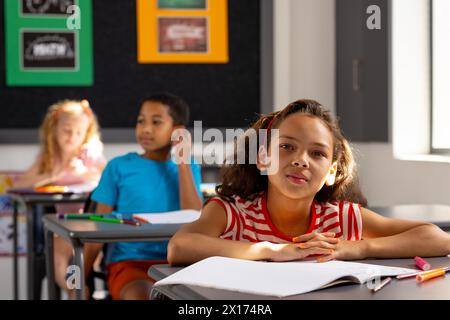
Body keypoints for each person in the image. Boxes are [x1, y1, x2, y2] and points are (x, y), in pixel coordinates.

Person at [168, 99, 450, 266]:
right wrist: (270, 251)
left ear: (331, 171)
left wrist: (358, 247)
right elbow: (179, 247)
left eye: (317, 153)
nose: (301, 160)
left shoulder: (341, 219)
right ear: (263, 158)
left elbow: (438, 239)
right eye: (287, 147)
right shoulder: (231, 213)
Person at [91, 93, 203, 300]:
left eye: (156, 122)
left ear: (177, 130)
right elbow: (97, 230)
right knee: (141, 296)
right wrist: (81, 281)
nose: (146, 129)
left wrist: (183, 159)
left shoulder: (188, 168)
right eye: (141, 121)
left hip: (175, 265)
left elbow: (193, 216)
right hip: (129, 263)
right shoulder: (118, 167)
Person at [13, 99, 106, 299]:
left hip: (92, 227)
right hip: (62, 228)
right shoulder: (49, 158)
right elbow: (18, 184)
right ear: (54, 129)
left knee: (87, 255)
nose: (72, 137)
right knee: (58, 258)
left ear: (87, 133)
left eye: (79, 132)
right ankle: (74, 290)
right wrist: (52, 175)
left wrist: (91, 166)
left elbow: (109, 179)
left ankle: (80, 289)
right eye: (66, 130)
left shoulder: (90, 154)